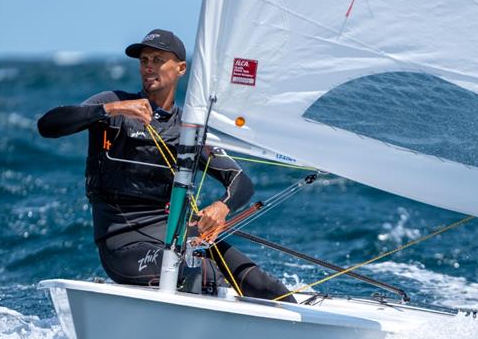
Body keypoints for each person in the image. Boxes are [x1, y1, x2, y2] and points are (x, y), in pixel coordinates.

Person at [37, 29, 295, 302]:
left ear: (181, 68)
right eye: (144, 60)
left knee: (265, 286)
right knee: (203, 273)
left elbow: (240, 181)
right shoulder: (113, 103)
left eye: (157, 59)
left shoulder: (187, 128)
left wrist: (222, 206)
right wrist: (111, 110)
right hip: (123, 243)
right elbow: (49, 126)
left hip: (179, 238)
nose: (148, 66)